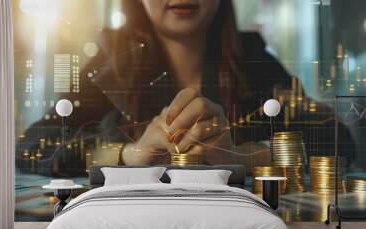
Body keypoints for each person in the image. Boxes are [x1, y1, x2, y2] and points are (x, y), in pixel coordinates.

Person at [17, 0, 348, 176]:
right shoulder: (111, 59)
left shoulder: (251, 56)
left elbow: (337, 138)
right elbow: (34, 143)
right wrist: (128, 154)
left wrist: (246, 156)